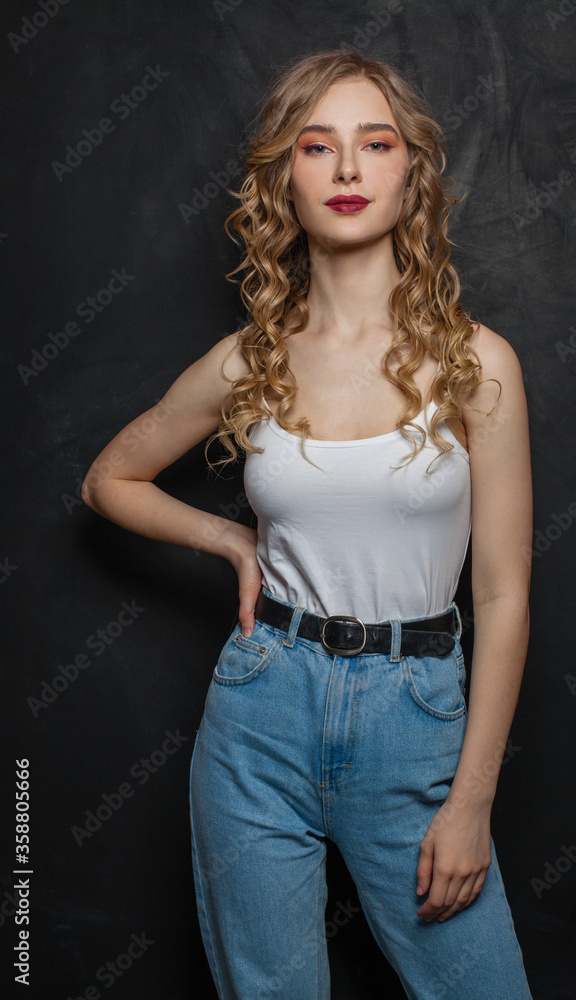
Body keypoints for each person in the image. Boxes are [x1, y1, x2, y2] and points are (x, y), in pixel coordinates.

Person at [82, 48, 533, 1000]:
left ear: (410, 172)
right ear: (283, 176)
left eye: (374, 144)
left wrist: (473, 799)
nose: (346, 169)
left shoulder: (476, 364)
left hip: (415, 716)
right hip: (261, 709)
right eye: (316, 146)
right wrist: (230, 539)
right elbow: (109, 479)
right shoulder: (251, 359)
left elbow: (501, 592)